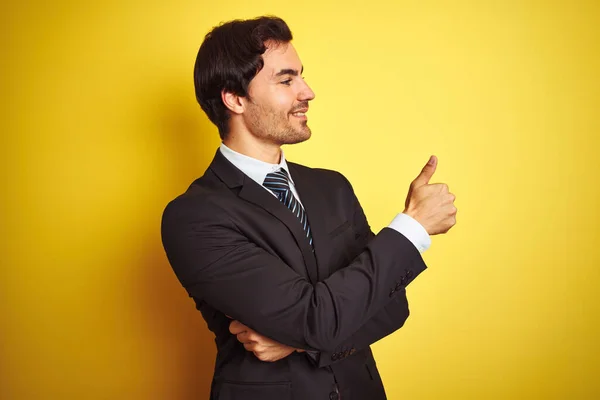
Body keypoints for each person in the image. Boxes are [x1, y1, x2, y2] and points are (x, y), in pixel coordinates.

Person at [161, 15, 457, 400]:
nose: (308, 91)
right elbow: (315, 318)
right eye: (286, 80)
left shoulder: (331, 186)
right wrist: (412, 227)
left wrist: (301, 342)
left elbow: (391, 305)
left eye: (301, 76)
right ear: (234, 98)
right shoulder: (195, 217)